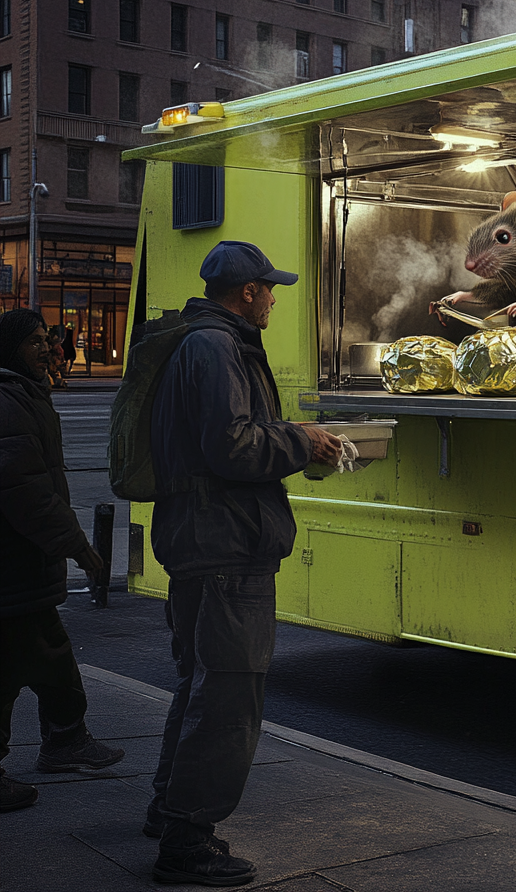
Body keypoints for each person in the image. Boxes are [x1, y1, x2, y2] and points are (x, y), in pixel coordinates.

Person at [145, 241, 349, 887]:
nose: (274, 298)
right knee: (229, 694)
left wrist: (284, 431)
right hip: (224, 545)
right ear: (249, 293)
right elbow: (231, 446)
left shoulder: (205, 341)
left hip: (204, 538)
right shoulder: (218, 346)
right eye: (270, 288)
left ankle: (167, 808)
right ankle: (186, 841)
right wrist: (301, 438)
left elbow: (223, 435)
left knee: (202, 683)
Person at [0, 309, 124, 814]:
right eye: (35, 342)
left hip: (22, 566)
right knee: (13, 665)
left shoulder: (25, 393)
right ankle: (64, 741)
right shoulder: (8, 401)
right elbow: (24, 489)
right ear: (11, 348)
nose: (48, 350)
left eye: (48, 340)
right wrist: (77, 543)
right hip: (12, 564)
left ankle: (66, 739)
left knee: (48, 653)